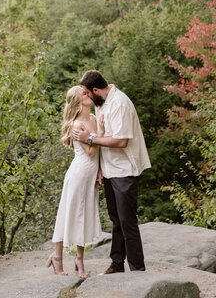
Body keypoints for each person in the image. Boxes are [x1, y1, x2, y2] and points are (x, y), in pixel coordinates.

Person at [72, 70, 151, 274]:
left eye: (87, 94)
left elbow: (121, 141)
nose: (86, 98)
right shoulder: (101, 103)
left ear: (95, 90)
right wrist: (100, 167)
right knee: (116, 220)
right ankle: (117, 264)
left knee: (127, 221)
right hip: (109, 170)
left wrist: (89, 138)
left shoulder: (120, 104)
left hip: (125, 171)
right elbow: (104, 135)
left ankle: (138, 270)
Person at [47, 85, 104, 279]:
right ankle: (57, 257)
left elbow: (98, 150)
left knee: (83, 215)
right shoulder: (76, 125)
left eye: (87, 91)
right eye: (83, 93)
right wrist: (98, 135)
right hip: (79, 174)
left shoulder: (94, 119)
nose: (87, 94)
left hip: (90, 175)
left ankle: (79, 259)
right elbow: (90, 151)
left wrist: (100, 170)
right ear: (77, 101)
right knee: (68, 213)